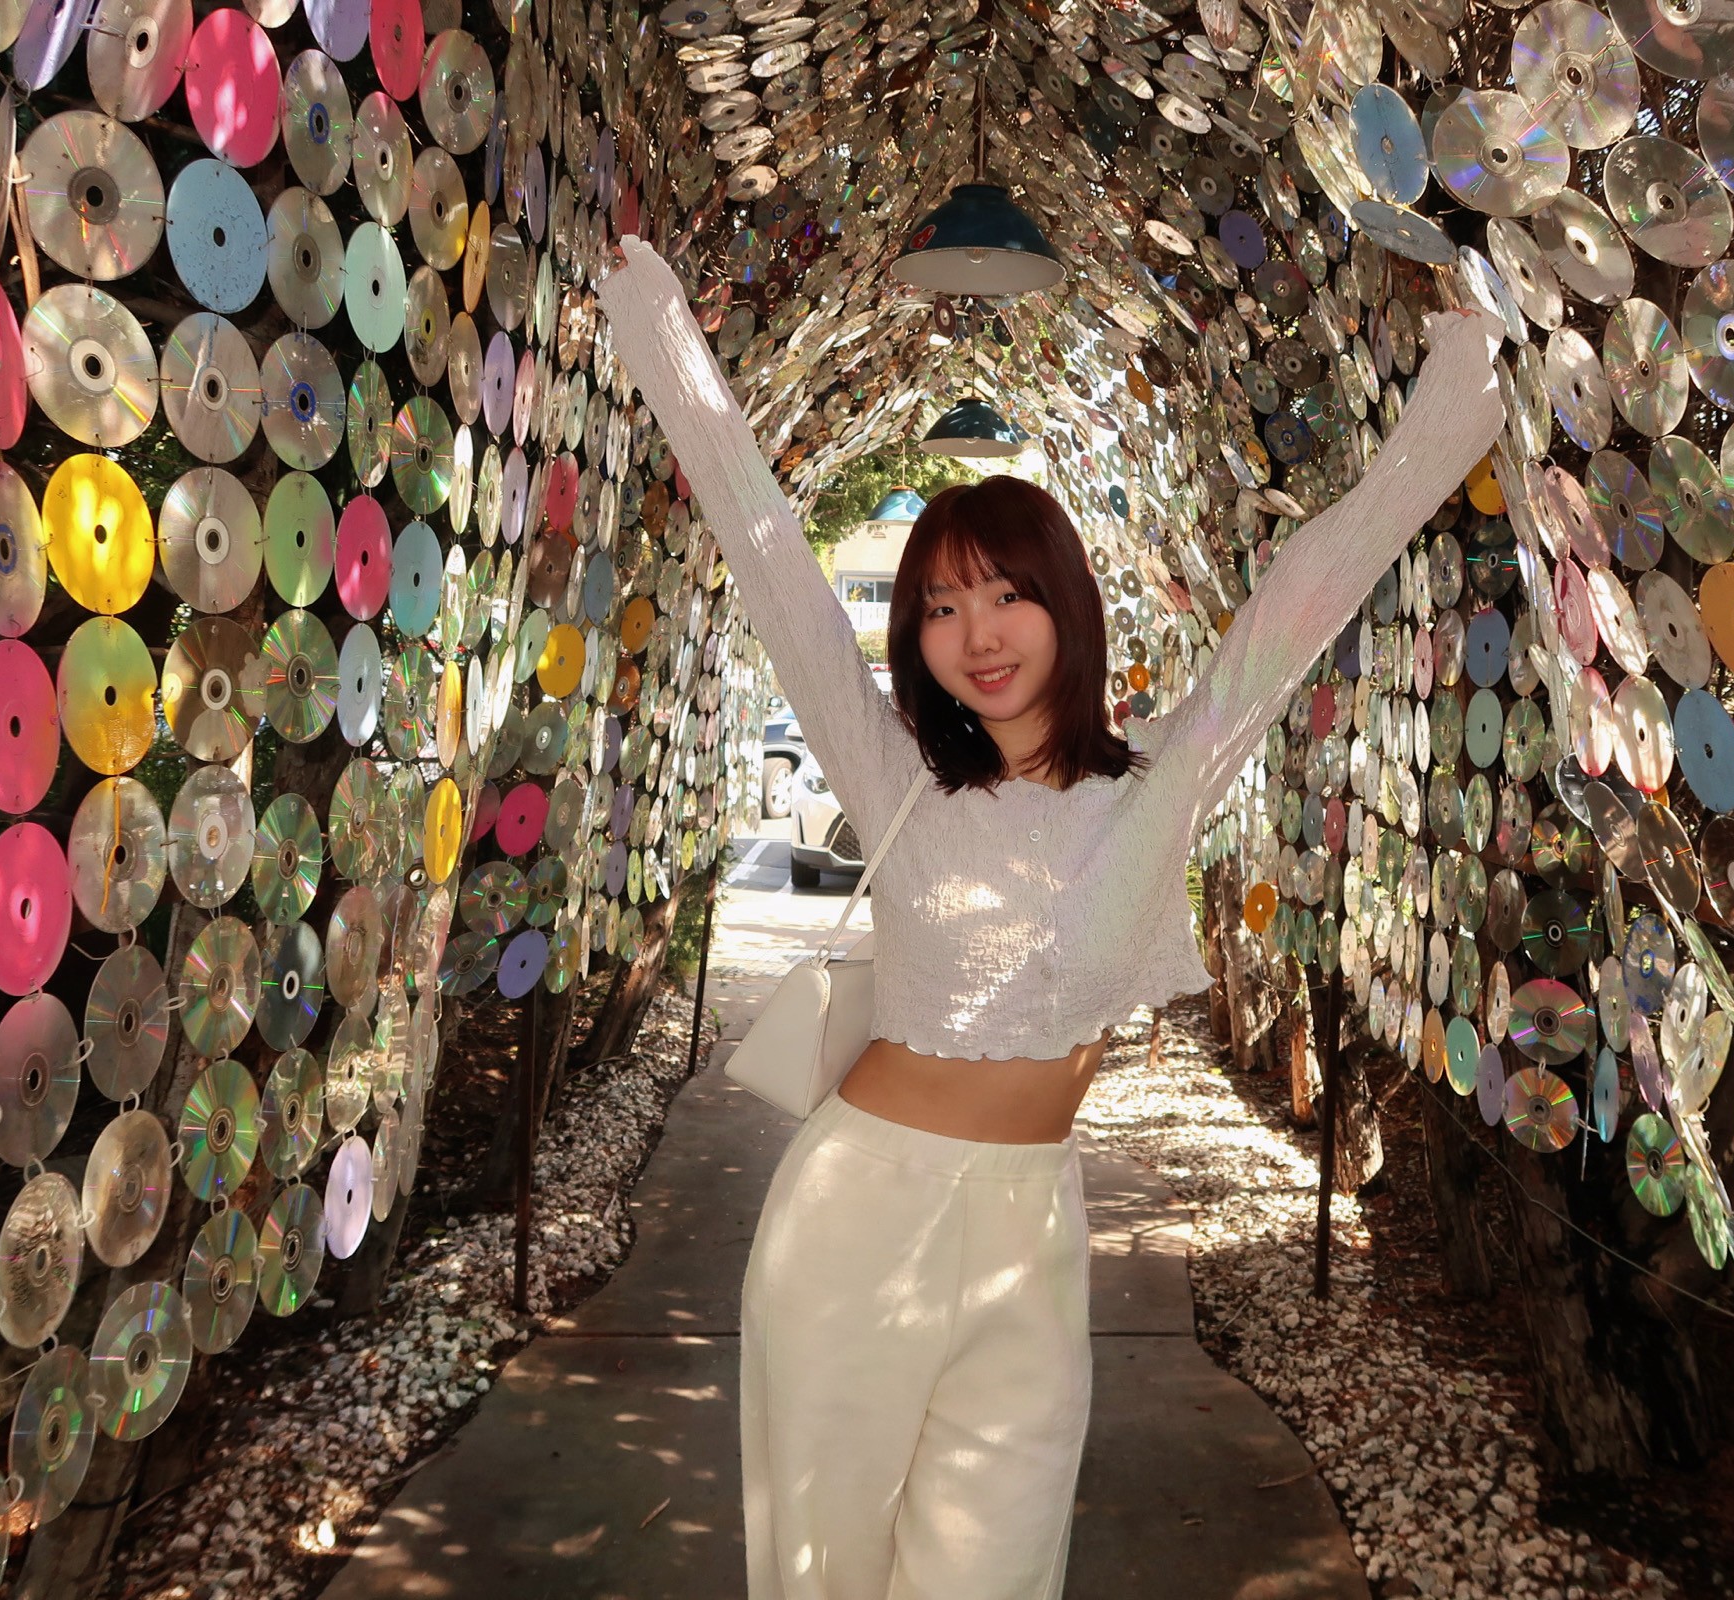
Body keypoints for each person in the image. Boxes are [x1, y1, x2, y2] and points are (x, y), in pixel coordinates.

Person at [598, 236, 1505, 1600]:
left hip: (1030, 1233)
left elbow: (1311, 590)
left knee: (997, 1574)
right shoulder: (897, 775)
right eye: (942, 605)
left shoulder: (1157, 785)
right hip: (855, 1212)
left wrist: (1464, 385)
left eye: (1009, 593)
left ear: (1067, 605)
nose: (978, 632)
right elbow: (768, 549)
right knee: (825, 1575)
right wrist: (661, 326)